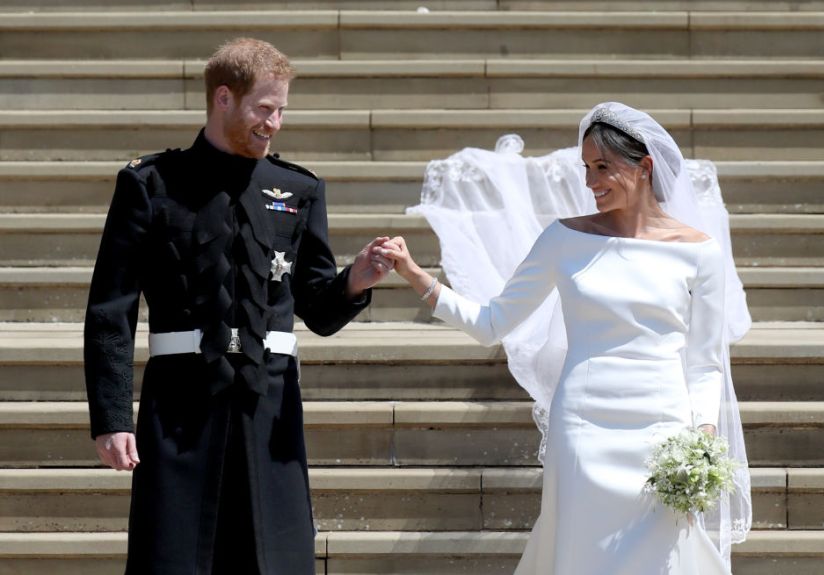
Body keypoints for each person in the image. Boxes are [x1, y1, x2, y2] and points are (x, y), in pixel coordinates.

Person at [378, 102, 751, 574]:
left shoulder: (701, 253)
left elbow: (704, 364)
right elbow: (492, 322)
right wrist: (416, 276)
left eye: (603, 168)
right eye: (586, 169)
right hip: (583, 428)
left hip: (663, 428)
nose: (591, 182)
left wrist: (702, 437)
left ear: (645, 167)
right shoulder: (563, 239)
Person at [84, 37, 393, 575]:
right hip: (179, 404)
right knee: (172, 559)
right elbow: (111, 311)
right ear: (223, 98)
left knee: (273, 562)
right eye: (264, 109)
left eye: (281, 111)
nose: (273, 123)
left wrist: (354, 281)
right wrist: (111, 418)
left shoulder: (298, 189)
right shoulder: (150, 184)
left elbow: (316, 310)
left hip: (269, 410)